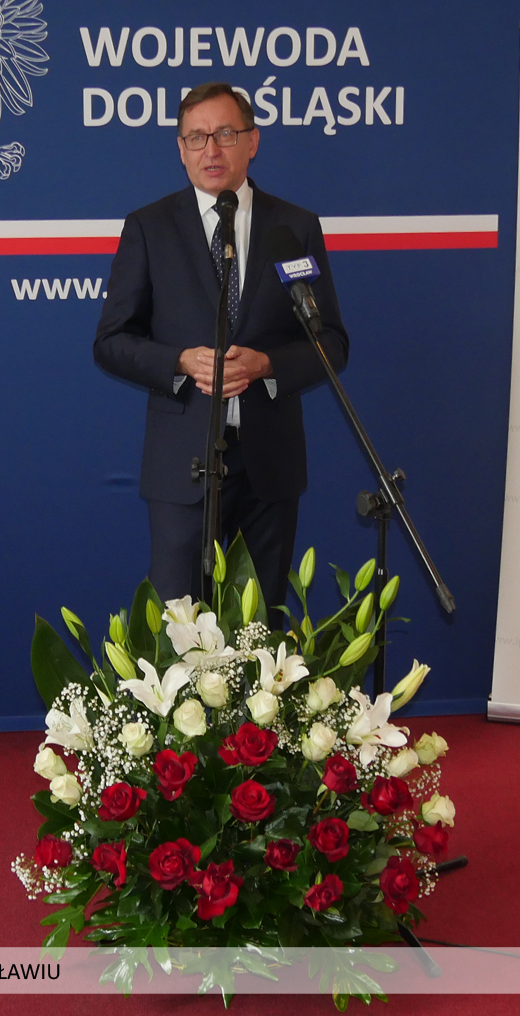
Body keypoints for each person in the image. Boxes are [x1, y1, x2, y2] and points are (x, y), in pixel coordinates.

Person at [94, 81, 349, 622]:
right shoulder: (150, 228)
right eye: (196, 137)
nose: (211, 149)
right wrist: (179, 362)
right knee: (180, 630)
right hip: (182, 463)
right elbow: (111, 342)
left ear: (252, 141)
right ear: (181, 149)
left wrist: (269, 364)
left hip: (269, 466)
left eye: (225, 134)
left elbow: (331, 342)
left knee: (259, 630)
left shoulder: (294, 227)